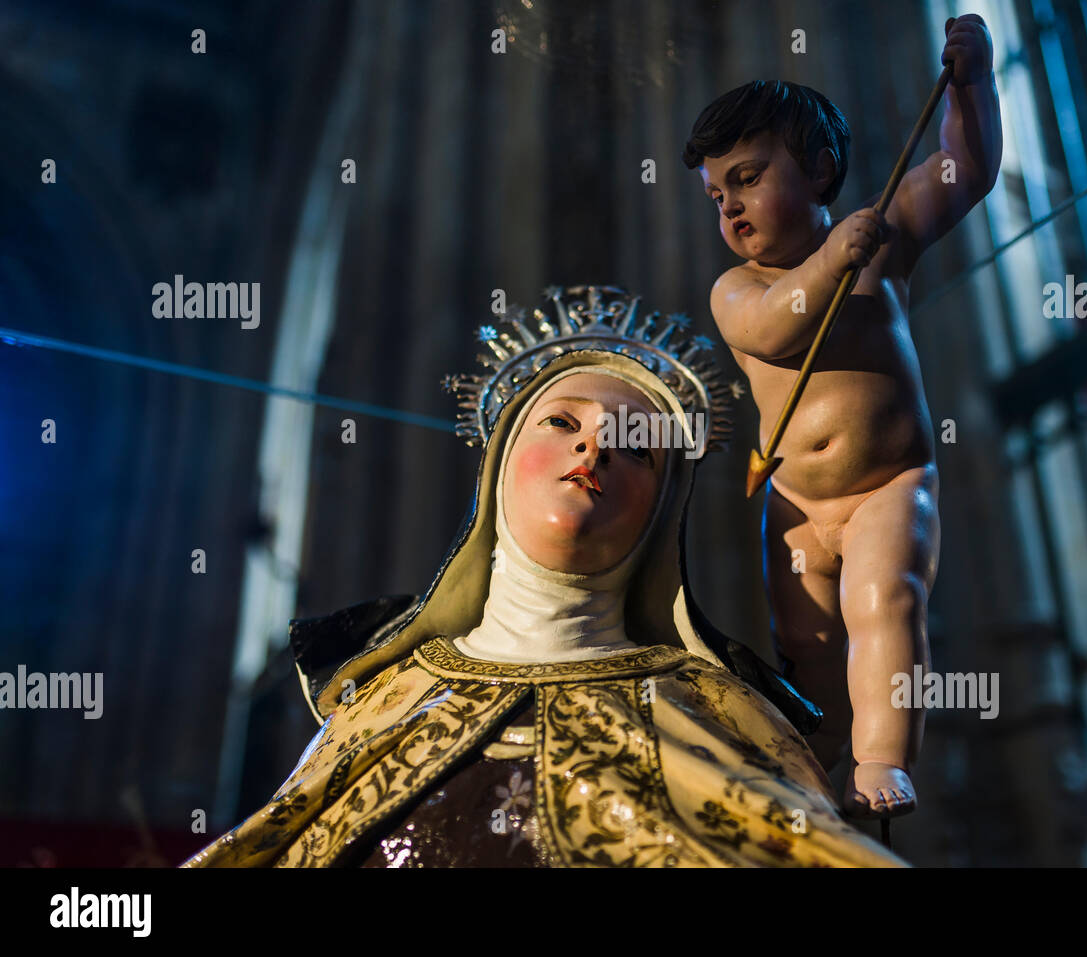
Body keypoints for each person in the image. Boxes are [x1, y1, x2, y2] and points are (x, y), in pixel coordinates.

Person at [182, 285, 903, 867]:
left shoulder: (720, 713)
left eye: (637, 450)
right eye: (563, 422)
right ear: (496, 468)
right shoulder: (381, 701)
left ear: (660, 518)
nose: (595, 447)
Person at [681, 15, 1002, 817]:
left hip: (888, 484)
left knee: (883, 601)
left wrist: (975, 84)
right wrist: (831, 262)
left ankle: (884, 757)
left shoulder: (883, 239)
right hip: (795, 505)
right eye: (718, 196)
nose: (732, 209)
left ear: (821, 170)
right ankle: (825, 757)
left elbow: (967, 169)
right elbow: (774, 327)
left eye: (749, 178)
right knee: (812, 652)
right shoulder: (736, 289)